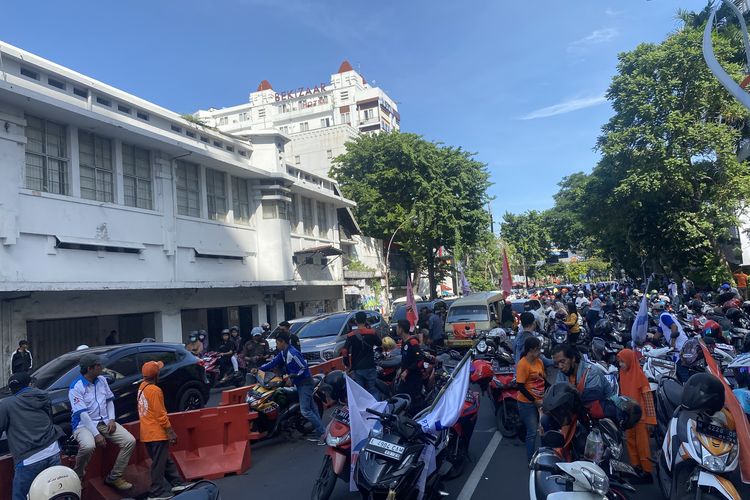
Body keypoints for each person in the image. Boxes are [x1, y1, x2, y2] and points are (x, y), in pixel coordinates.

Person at [69, 354, 135, 490]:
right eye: (98, 365)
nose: (102, 367)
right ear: (90, 369)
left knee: (129, 441)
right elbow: (83, 414)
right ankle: (78, 476)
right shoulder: (76, 387)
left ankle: (114, 477)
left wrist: (111, 418)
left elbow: (109, 400)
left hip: (104, 421)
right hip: (83, 425)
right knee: (88, 446)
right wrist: (96, 435)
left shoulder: (102, 381)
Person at [0, 372, 65, 500]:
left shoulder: (6, 404)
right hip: (53, 450)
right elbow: (49, 418)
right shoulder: (44, 396)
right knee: (53, 493)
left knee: (20, 496)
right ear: (30, 384)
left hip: (29, 459)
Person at [256, 332, 326, 439]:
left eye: (277, 343)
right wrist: (259, 369)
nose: (276, 345)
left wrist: (292, 377)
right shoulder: (283, 353)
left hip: (305, 383)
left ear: (283, 342)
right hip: (299, 383)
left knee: (305, 411)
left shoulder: (293, 353)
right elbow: (273, 363)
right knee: (312, 408)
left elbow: (303, 367)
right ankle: (321, 429)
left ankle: (322, 433)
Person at [137, 361, 191, 499]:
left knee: (164, 460)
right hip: (156, 433)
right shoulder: (155, 390)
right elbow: (160, 414)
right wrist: (170, 431)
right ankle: (156, 493)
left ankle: (176, 483)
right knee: (158, 464)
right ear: (156, 374)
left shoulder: (142, 387)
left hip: (147, 433)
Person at [617, 349, 656, 484]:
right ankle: (636, 468)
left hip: (641, 417)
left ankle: (647, 472)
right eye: (619, 361)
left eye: (622, 361)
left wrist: (651, 420)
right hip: (629, 416)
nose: (620, 364)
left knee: (642, 445)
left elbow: (648, 399)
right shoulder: (622, 374)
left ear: (629, 361)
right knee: (630, 442)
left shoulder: (640, 376)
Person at [551, 343, 616, 422]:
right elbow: (558, 393)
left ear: (573, 359)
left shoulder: (592, 371)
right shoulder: (562, 374)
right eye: (557, 364)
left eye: (562, 361)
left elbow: (591, 398)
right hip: (579, 413)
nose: (560, 366)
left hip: (600, 413)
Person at [516, 336, 546, 461]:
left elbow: (543, 378)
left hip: (541, 400)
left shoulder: (539, 362)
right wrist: (535, 401)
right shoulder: (523, 364)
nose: (540, 352)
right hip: (527, 403)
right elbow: (520, 387)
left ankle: (544, 457)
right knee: (532, 431)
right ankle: (531, 459)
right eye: (538, 349)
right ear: (531, 350)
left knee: (544, 428)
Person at [342, 311, 382, 398]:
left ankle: (364, 410)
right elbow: (379, 343)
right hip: (370, 366)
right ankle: (377, 409)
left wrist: (347, 364)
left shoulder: (351, 335)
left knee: (361, 392)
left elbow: (345, 351)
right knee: (373, 389)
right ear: (365, 320)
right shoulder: (371, 332)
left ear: (356, 321)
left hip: (357, 368)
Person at [652, 302, 689, 381]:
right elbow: (657, 335)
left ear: (655, 311)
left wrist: (672, 344)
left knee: (681, 369)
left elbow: (674, 327)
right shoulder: (664, 318)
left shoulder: (663, 316)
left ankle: (687, 388)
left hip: (679, 346)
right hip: (680, 344)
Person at [396, 319, 424, 410]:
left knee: (414, 403)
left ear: (401, 329)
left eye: (397, 327)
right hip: (405, 378)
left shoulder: (413, 342)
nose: (396, 329)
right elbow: (406, 359)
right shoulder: (404, 342)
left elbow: (420, 360)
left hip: (414, 378)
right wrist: (401, 369)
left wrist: (407, 371)